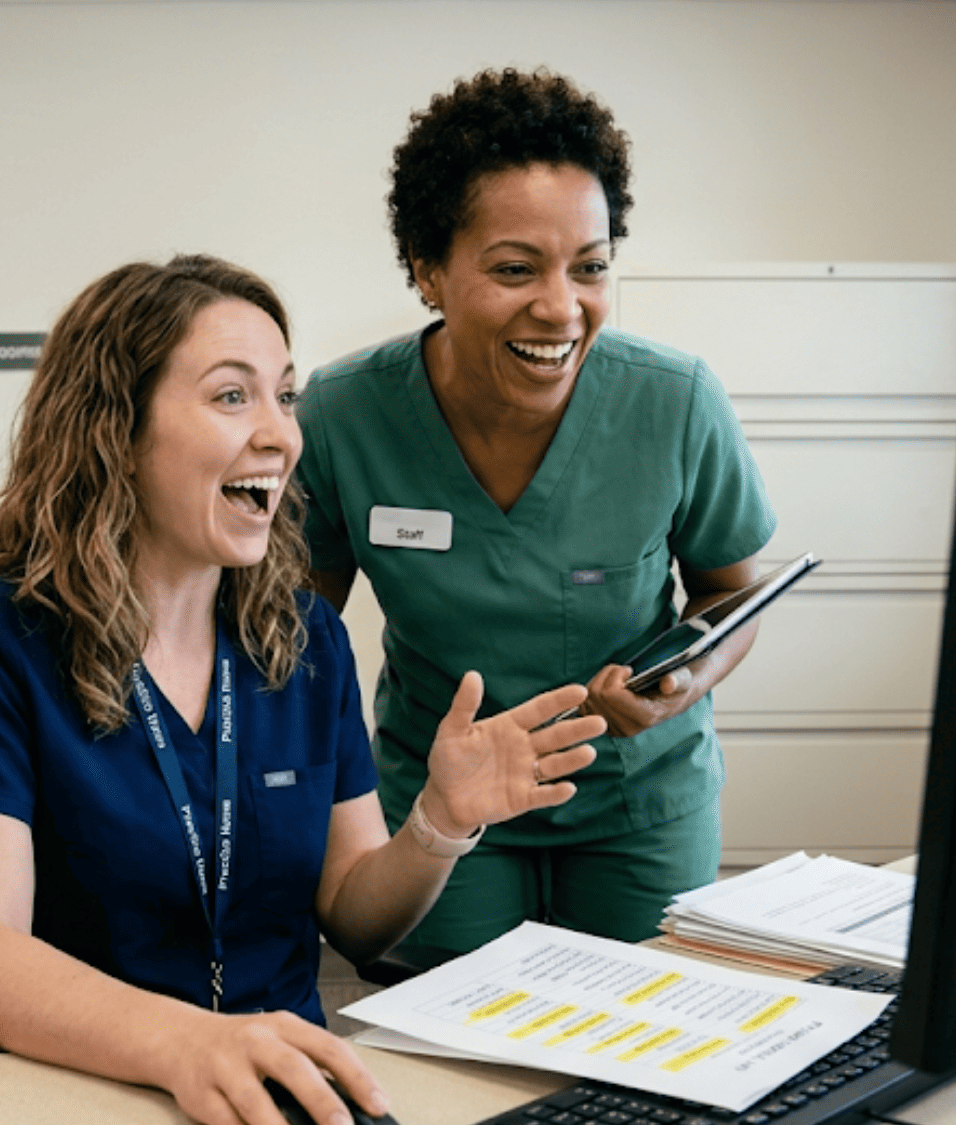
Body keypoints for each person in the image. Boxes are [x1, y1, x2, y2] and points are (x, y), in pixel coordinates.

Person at [0, 255, 607, 1125]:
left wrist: (439, 822)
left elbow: (356, 916)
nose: (280, 434)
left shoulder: (307, 641)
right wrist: (186, 1039)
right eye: (233, 396)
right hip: (78, 1091)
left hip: (281, 1095)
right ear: (114, 427)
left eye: (285, 395)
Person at [294, 68, 777, 952]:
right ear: (428, 270)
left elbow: (732, 594)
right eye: (515, 269)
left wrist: (683, 680)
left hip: (636, 796)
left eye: (590, 268)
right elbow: (293, 631)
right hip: (444, 796)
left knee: (649, 1036)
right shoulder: (344, 414)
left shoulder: (674, 401)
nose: (561, 307)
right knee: (448, 1042)